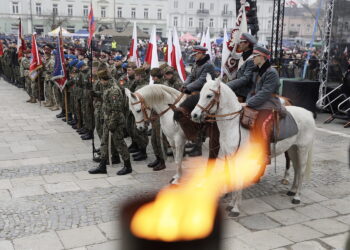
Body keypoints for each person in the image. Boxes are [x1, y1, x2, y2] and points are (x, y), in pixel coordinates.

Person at [88, 67, 132, 175]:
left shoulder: (114, 91)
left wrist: (112, 124)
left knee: (119, 143)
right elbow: (104, 96)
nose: (100, 82)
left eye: (100, 80)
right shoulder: (107, 88)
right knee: (104, 142)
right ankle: (102, 166)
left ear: (104, 79)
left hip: (115, 121)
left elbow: (116, 110)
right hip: (107, 120)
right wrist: (95, 94)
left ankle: (127, 165)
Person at [245, 46, 283, 168]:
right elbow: (253, 90)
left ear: (262, 57)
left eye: (255, 57)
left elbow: (265, 93)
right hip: (258, 100)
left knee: (262, 124)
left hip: (270, 102)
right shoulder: (257, 71)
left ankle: (265, 154)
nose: (253, 59)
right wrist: (247, 101)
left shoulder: (272, 72)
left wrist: (249, 103)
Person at [180, 45, 216, 157]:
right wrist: (184, 84)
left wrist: (188, 88)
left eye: (196, 54)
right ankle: (194, 141)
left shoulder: (208, 65)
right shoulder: (198, 64)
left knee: (198, 120)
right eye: (194, 54)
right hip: (195, 92)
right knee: (192, 119)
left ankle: (198, 147)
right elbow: (191, 76)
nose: (195, 56)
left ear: (202, 54)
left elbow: (201, 81)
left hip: (204, 95)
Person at [226, 33, 257, 102]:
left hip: (245, 94)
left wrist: (228, 85)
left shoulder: (251, 59)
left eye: (241, 42)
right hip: (238, 91)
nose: (239, 44)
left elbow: (246, 79)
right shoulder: (243, 56)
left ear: (247, 44)